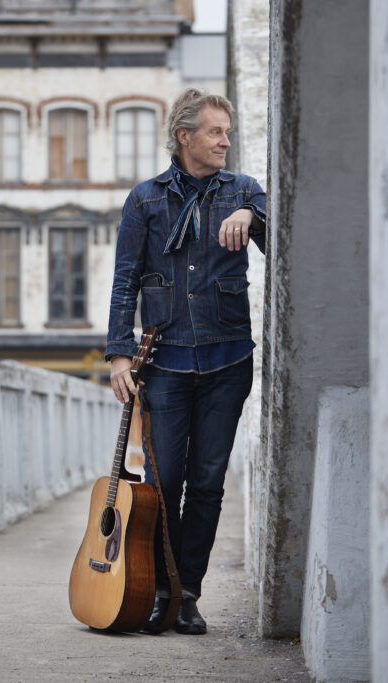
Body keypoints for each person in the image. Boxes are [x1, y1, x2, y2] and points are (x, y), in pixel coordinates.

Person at [105, 88, 266, 635]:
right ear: (185, 136)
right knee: (161, 481)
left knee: (207, 482)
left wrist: (252, 211)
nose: (226, 140)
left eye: (228, 131)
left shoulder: (243, 189)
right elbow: (125, 278)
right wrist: (118, 354)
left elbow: (283, 230)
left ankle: (189, 592)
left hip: (228, 359)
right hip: (164, 361)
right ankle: (160, 589)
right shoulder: (146, 200)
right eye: (216, 131)